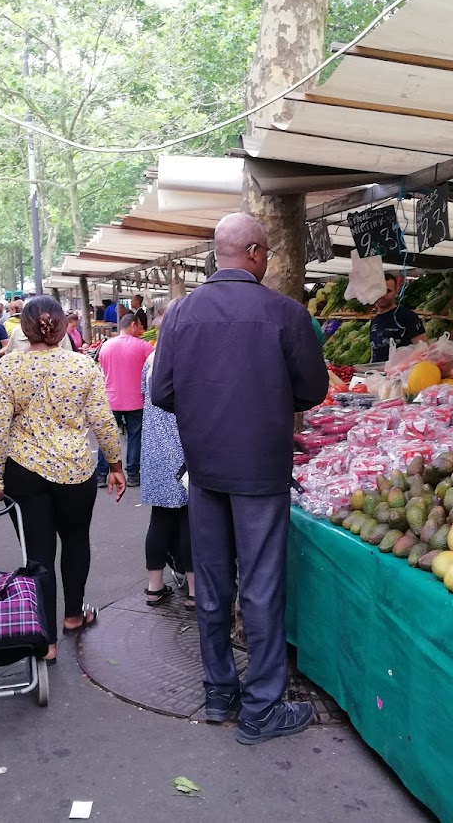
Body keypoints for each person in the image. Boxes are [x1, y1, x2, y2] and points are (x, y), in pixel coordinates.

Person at [151, 212, 328, 745]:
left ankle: (218, 692)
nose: (268, 258)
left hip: (204, 469)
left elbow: (162, 392)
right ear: (253, 251)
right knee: (261, 585)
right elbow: (313, 390)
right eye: (267, 250)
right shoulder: (285, 313)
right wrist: (269, 402)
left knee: (213, 582)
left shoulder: (180, 314)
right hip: (260, 468)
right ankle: (261, 708)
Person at [0, 297, 126, 662]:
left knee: (38, 552)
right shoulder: (82, 366)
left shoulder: (5, 369)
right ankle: (74, 616)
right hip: (76, 469)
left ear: (24, 327)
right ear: (62, 327)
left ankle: (44, 639)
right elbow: (103, 421)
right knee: (76, 540)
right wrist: (116, 464)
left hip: (23, 470)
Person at [139, 298, 193, 609]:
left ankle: (154, 587)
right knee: (189, 520)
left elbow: (145, 396)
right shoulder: (191, 358)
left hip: (156, 450)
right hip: (185, 449)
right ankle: (195, 593)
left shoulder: (152, 359)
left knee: (159, 520)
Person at [95, 313, 154, 489]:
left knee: (107, 437)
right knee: (135, 437)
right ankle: (133, 474)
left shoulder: (106, 346)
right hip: (136, 400)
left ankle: (101, 475)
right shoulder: (144, 347)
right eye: (139, 327)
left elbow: (103, 370)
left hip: (111, 399)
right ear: (134, 324)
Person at [369, 272, 426, 363]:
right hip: (378, 374)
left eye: (388, 291)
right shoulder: (374, 321)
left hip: (401, 375)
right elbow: (374, 352)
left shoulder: (407, 317)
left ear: (396, 291)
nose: (382, 295)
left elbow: (424, 350)